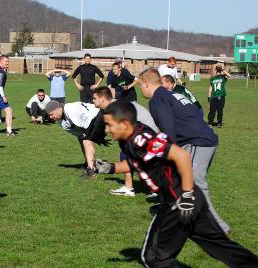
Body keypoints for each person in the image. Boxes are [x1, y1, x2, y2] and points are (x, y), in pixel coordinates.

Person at [96, 101, 258, 267]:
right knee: (220, 246)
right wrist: (111, 167)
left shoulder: (141, 140)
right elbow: (139, 162)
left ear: (124, 124)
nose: (106, 129)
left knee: (154, 257)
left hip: (179, 200)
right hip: (190, 198)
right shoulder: (129, 139)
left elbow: (181, 155)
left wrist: (187, 196)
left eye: (109, 125)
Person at [138, 67, 230, 234]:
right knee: (180, 179)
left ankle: (218, 228)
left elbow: (168, 129)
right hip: (199, 139)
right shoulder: (170, 93)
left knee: (194, 182)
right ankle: (175, 213)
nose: (140, 89)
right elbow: (193, 115)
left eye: (140, 86)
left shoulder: (157, 99)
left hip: (198, 142)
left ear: (146, 84)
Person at [45, 100, 100, 178]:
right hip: (92, 121)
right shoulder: (61, 122)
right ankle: (89, 163)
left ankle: (91, 170)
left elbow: (90, 121)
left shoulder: (72, 109)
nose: (50, 117)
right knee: (82, 138)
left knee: (86, 140)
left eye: (51, 114)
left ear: (58, 109)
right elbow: (79, 134)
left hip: (101, 115)